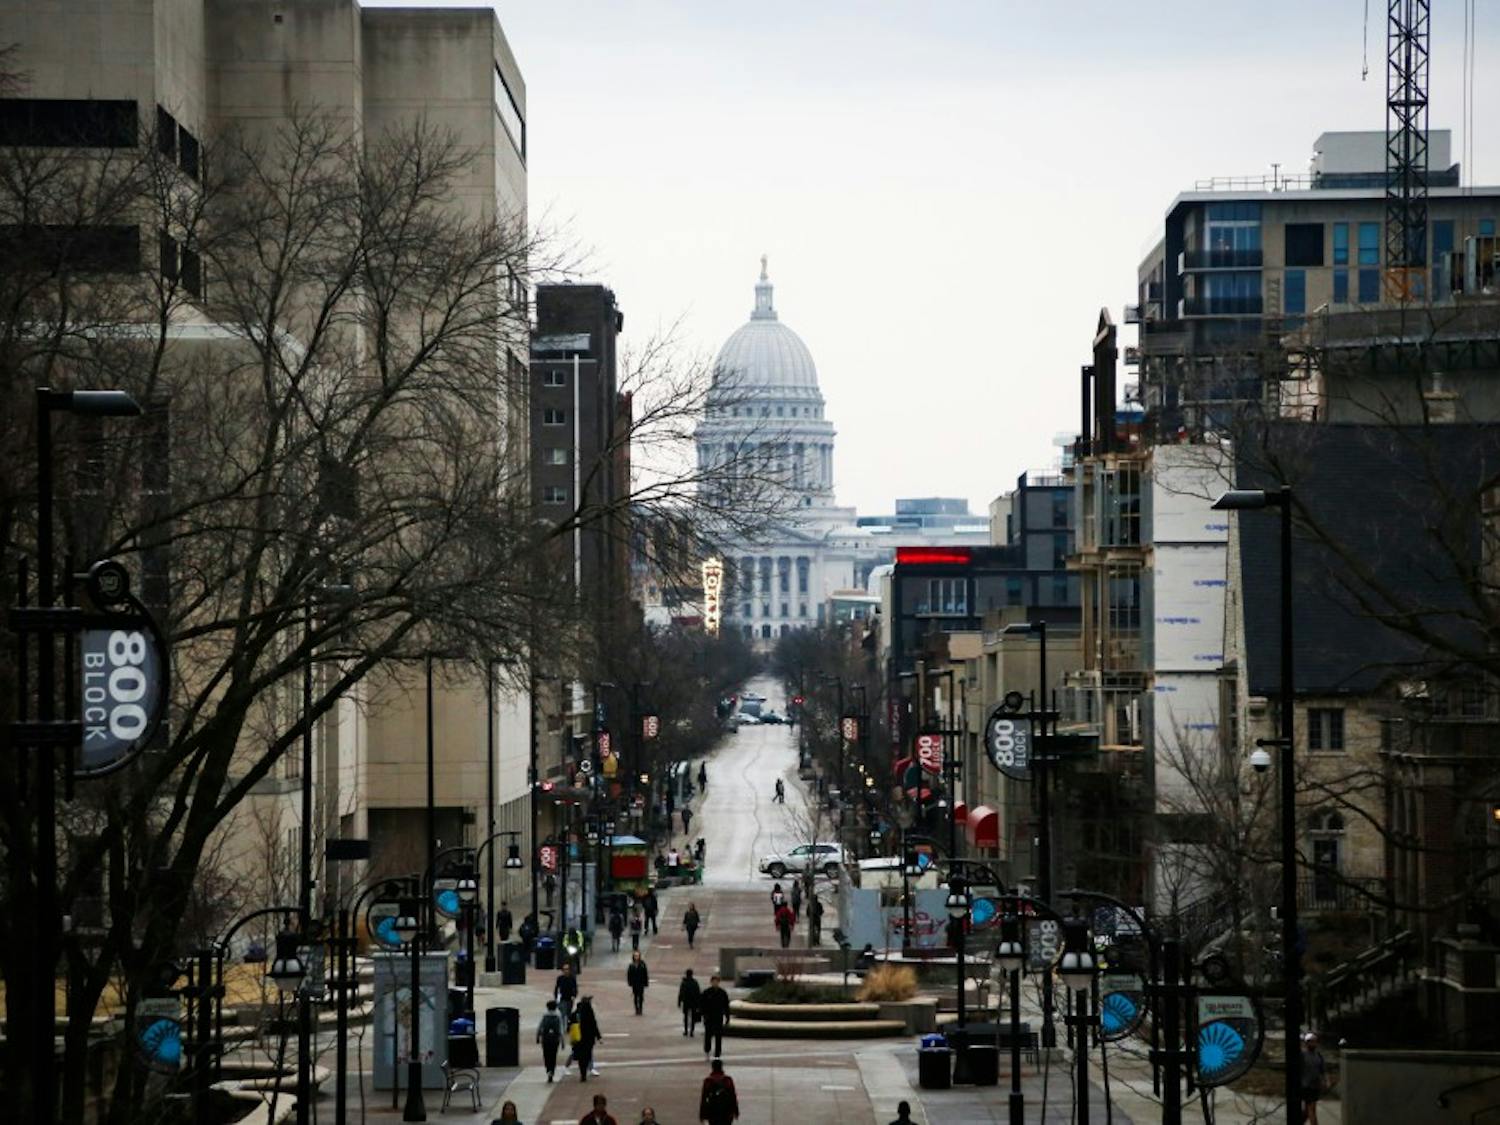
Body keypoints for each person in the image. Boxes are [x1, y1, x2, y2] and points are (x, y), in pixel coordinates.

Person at [698, 1058, 740, 1125]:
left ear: (712, 1068)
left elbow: (704, 1098)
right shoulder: (727, 1080)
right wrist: (736, 1111)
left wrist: (702, 1114)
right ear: (721, 1067)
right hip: (726, 1111)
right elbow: (733, 1096)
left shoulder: (708, 1081)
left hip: (712, 1111)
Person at [699, 974, 731, 1058]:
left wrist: (727, 1017)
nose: (715, 983)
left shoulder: (722, 993)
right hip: (709, 1017)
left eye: (717, 981)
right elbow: (702, 1004)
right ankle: (707, 1049)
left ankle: (717, 1052)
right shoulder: (706, 992)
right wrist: (703, 1014)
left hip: (718, 1017)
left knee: (718, 1036)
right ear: (711, 982)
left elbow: (726, 1006)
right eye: (714, 982)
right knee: (708, 1035)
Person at [1300, 1031, 1329, 1124]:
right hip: (1305, 1086)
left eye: (1314, 1041)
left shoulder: (1318, 1056)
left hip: (1315, 1086)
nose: (1313, 1043)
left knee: (1308, 1110)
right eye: (1311, 1041)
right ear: (1306, 1043)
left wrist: (1326, 1081)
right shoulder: (1302, 1055)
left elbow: (1323, 1070)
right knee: (1311, 1109)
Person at [574, 996, 602, 1081]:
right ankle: (585, 1071)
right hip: (589, 1038)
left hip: (578, 1037)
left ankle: (582, 1073)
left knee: (580, 1056)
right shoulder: (590, 1013)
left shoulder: (577, 1013)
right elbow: (594, 1025)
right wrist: (598, 1036)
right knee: (587, 1055)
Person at [536, 1000, 563, 1083]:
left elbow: (540, 1027)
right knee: (553, 1056)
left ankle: (548, 1070)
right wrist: (563, 1042)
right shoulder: (558, 1016)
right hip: (555, 1039)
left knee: (546, 1055)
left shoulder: (545, 1016)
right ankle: (552, 1071)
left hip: (546, 1038)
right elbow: (561, 1029)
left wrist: (537, 1037)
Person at [678, 967, 702, 1037]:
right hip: (693, 1002)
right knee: (693, 1017)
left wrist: (679, 1002)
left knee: (685, 1016)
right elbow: (698, 993)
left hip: (686, 1002)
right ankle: (692, 1031)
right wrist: (699, 1003)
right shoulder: (695, 982)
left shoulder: (684, 982)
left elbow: (681, 993)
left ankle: (686, 1030)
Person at [627, 951, 650, 1016]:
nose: (636, 957)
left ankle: (640, 1008)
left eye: (637, 955)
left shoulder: (642, 964)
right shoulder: (631, 965)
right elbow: (629, 975)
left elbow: (645, 974)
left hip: (641, 983)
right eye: (635, 956)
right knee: (635, 996)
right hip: (634, 983)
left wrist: (646, 983)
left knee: (641, 996)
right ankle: (636, 1009)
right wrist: (630, 982)